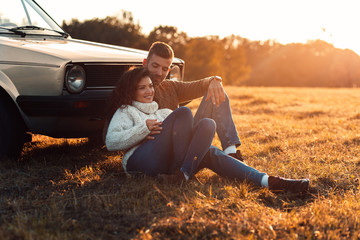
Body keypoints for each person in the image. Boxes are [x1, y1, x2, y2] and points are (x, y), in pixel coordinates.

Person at [105, 67, 310, 193]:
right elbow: (111, 142)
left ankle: (268, 181)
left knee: (209, 138)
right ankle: (183, 170)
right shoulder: (127, 111)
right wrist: (143, 129)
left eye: (150, 86)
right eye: (142, 88)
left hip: (164, 166)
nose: (149, 91)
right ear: (132, 90)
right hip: (139, 162)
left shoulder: (163, 112)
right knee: (184, 113)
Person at [143, 41, 242, 160]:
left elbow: (198, 86)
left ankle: (231, 152)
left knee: (216, 91)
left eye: (164, 69)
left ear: (169, 71)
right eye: (155, 66)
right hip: (162, 149)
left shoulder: (170, 87)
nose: (159, 73)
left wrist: (214, 80)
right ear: (145, 63)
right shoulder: (133, 89)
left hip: (184, 139)